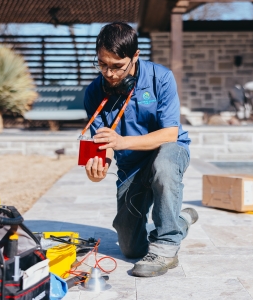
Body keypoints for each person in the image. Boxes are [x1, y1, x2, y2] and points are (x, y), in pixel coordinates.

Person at [83, 22, 198, 277]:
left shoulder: (162, 78)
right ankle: (180, 221)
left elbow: (169, 133)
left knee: (163, 167)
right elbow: (105, 143)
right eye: (102, 64)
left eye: (117, 66)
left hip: (169, 150)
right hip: (131, 165)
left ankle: (167, 245)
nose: (109, 74)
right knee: (130, 248)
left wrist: (122, 141)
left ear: (135, 56)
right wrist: (100, 166)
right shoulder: (93, 92)